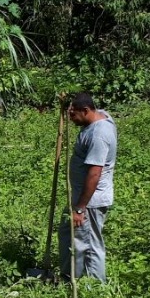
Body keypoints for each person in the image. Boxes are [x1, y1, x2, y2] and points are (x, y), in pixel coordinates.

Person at [58, 92, 117, 282]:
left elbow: (94, 173)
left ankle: (94, 288)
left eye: (73, 115)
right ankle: (69, 278)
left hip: (90, 201)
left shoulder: (99, 134)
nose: (71, 119)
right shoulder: (99, 115)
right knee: (69, 235)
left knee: (89, 244)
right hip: (80, 197)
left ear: (86, 111)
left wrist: (80, 208)